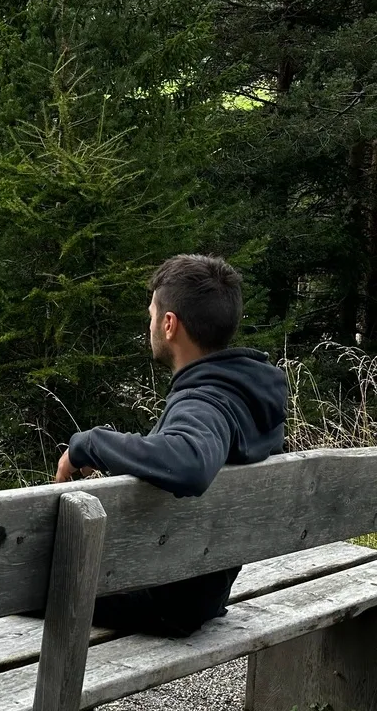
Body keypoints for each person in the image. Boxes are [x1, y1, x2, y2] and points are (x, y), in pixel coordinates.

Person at [53, 254, 287, 637]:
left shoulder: (205, 400)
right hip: (203, 586)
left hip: (169, 599)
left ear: (169, 323)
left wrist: (88, 443)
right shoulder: (246, 391)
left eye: (151, 316)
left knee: (3, 589)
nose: (149, 326)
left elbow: (191, 462)